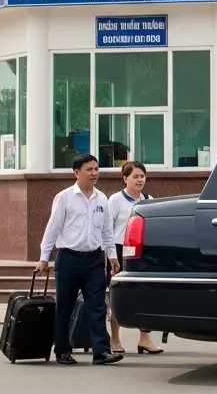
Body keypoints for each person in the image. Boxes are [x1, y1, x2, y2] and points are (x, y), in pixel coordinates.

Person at [37, 153, 122, 366]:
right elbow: (52, 229)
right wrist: (43, 258)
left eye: (96, 169)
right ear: (77, 173)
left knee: (97, 306)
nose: (94, 173)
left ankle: (101, 351)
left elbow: (107, 231)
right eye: (89, 170)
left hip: (94, 260)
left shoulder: (102, 199)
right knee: (65, 306)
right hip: (69, 259)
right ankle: (63, 350)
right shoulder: (64, 197)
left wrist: (112, 256)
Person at [106, 161, 162, 356]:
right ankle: (114, 339)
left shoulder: (149, 200)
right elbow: (107, 230)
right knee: (117, 296)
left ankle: (145, 339)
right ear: (125, 179)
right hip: (120, 251)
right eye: (135, 176)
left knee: (145, 295)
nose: (140, 180)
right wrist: (111, 255)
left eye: (142, 176)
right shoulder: (115, 200)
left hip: (141, 252)